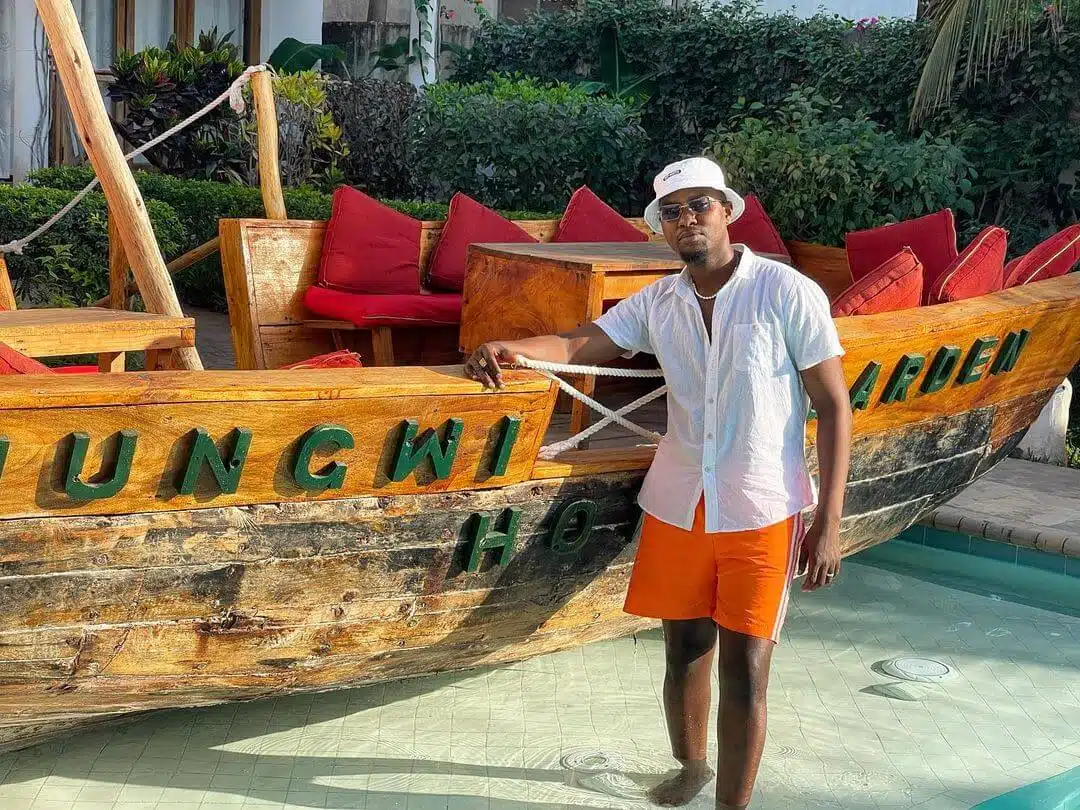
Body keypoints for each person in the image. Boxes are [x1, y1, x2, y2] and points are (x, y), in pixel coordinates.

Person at [463, 156, 852, 809]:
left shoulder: (787, 292)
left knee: (747, 669)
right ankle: (691, 768)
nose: (686, 219)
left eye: (699, 205)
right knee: (684, 653)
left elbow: (834, 406)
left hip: (763, 506)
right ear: (661, 227)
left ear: (726, 211)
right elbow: (582, 343)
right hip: (679, 502)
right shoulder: (659, 302)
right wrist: (511, 348)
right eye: (672, 211)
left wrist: (829, 520)